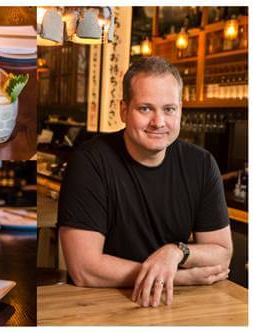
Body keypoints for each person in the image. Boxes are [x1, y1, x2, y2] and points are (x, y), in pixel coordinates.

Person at [57, 56, 233, 308]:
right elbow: (85, 269)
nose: (159, 122)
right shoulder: (89, 162)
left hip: (177, 308)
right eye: (145, 108)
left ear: (180, 110)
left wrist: (175, 252)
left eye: (169, 109)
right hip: (102, 306)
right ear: (124, 110)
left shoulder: (202, 164)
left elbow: (222, 254)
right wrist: (178, 277)